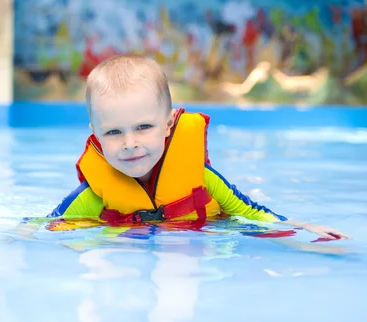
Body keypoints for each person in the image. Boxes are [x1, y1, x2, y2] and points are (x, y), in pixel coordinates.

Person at [47, 54, 350, 241]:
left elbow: (251, 213)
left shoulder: (201, 178)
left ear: (168, 124)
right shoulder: (93, 196)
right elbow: (49, 226)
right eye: (114, 132)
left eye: (143, 127)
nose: (130, 143)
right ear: (96, 136)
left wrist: (301, 230)